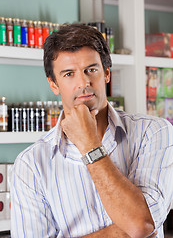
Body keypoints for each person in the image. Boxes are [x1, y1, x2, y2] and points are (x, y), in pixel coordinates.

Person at [10, 23, 173, 238]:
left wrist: (89, 145)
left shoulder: (153, 132)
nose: (83, 82)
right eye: (69, 74)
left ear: (106, 73)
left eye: (91, 70)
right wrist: (126, 230)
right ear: (53, 84)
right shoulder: (31, 165)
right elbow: (136, 228)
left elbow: (140, 224)